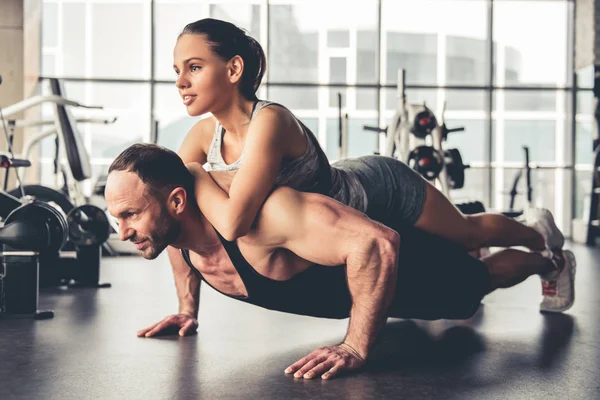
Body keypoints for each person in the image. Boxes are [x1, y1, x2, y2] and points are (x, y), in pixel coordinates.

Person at [171, 18, 566, 305]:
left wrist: (194, 175)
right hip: (347, 218)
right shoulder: (205, 136)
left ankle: (538, 234)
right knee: (454, 255)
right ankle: (534, 246)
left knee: (466, 234)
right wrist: (187, 308)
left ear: (234, 68)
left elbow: (234, 222)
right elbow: (173, 212)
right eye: (177, 71)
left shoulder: (269, 120)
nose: (180, 82)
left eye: (194, 67)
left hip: (380, 190)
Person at [104, 143, 577, 380]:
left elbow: (378, 244)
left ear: (179, 202)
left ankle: (549, 258)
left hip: (383, 230)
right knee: (459, 276)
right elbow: (179, 247)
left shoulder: (264, 218)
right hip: (349, 251)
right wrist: (188, 309)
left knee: (470, 290)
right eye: (116, 217)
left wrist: (354, 346)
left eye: (130, 215)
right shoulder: (177, 229)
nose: (123, 232)